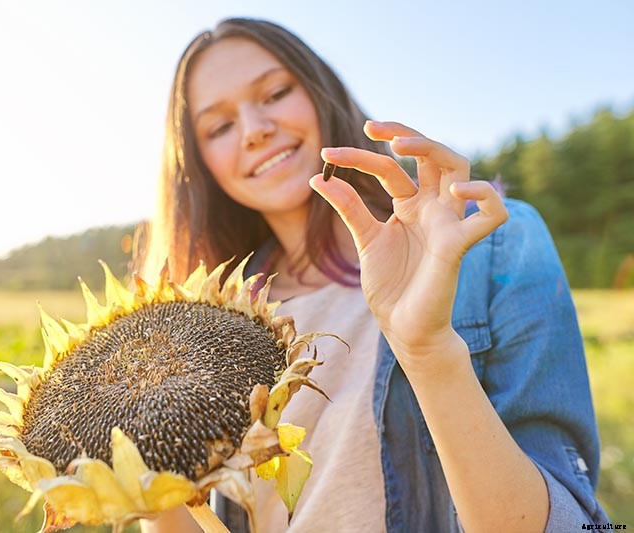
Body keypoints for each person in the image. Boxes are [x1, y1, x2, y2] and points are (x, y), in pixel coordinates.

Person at [136, 17, 609, 532]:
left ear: (319, 91)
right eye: (219, 127)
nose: (255, 130)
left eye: (274, 93)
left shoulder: (493, 246)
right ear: (198, 163)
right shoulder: (208, 325)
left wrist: (428, 353)